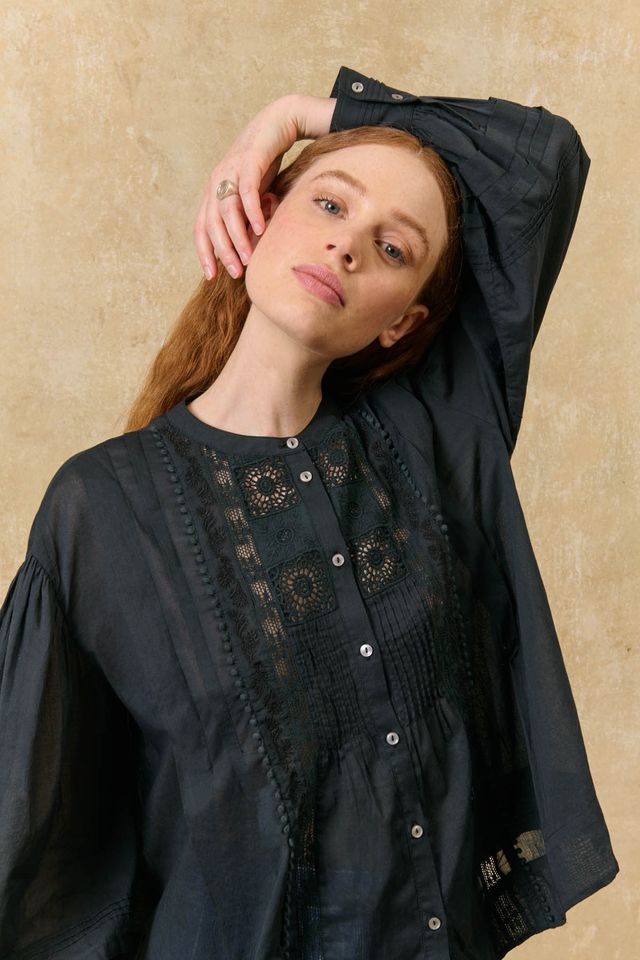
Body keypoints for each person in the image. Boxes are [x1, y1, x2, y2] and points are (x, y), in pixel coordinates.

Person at [0, 65, 619, 960]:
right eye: (329, 203)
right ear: (264, 213)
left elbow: (541, 162)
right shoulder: (101, 509)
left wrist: (291, 116)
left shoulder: (430, 436)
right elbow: (41, 854)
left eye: (393, 248)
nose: (347, 246)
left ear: (402, 323)